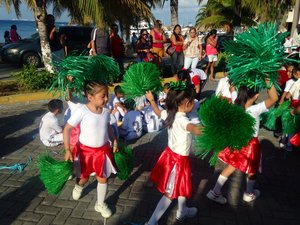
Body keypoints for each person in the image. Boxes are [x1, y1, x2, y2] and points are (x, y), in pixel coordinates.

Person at [206, 81, 278, 204]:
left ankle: (215, 191)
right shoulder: (254, 109)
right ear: (256, 96)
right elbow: (274, 98)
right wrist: (267, 79)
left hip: (238, 141)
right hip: (251, 145)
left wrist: (235, 83)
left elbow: (232, 88)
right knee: (252, 169)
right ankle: (248, 193)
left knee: (232, 165)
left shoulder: (236, 103)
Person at [143, 82, 202, 225]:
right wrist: (216, 127)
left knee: (182, 183)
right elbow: (196, 129)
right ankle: (151, 222)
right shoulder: (182, 119)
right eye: (193, 100)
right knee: (169, 194)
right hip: (178, 161)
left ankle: (182, 211)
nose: (194, 103)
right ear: (187, 103)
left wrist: (151, 100)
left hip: (171, 156)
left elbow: (157, 111)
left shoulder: (170, 114)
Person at [63, 81, 118, 219]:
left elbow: (109, 127)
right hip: (85, 152)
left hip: (102, 152)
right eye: (103, 96)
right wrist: (67, 149)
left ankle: (100, 204)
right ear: (90, 96)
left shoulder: (106, 111)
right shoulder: (82, 110)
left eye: (107, 95)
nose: (106, 99)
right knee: (83, 178)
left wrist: (114, 140)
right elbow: (67, 129)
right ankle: (79, 186)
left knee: (103, 178)